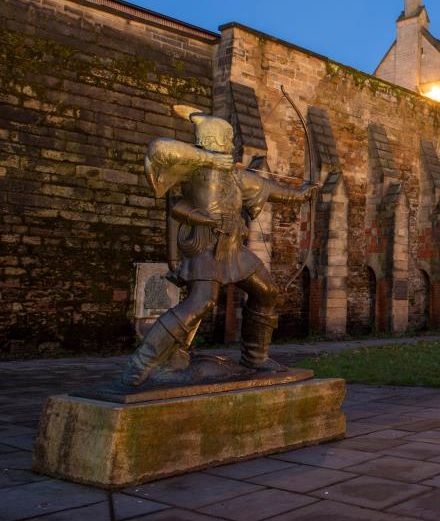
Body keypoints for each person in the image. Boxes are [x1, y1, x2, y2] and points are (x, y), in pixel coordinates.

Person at [122, 106, 317, 386]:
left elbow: (269, 189)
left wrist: (300, 194)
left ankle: (255, 358)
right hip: (205, 246)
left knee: (267, 292)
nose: (232, 143)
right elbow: (158, 149)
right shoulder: (193, 166)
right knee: (202, 301)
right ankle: (141, 362)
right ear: (214, 140)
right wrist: (207, 159)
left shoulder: (236, 176)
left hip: (234, 247)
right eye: (228, 137)